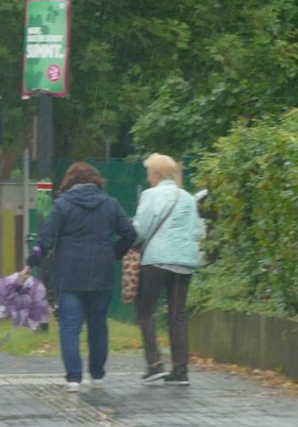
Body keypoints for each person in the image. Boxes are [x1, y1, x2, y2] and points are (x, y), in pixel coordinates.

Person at [27, 161, 137, 391]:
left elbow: (46, 239)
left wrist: (31, 263)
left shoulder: (62, 205)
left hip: (69, 274)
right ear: (96, 181)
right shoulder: (111, 205)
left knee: (70, 326)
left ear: (70, 181)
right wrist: (114, 253)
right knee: (98, 326)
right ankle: (97, 375)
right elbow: (130, 235)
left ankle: (74, 378)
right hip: (102, 272)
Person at [131, 152, 206, 387]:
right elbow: (197, 231)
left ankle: (154, 365)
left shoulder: (150, 195)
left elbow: (140, 229)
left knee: (145, 308)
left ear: (156, 174)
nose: (148, 178)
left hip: (157, 261)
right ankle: (180, 371)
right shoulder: (186, 198)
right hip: (184, 262)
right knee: (177, 314)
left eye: (149, 173)